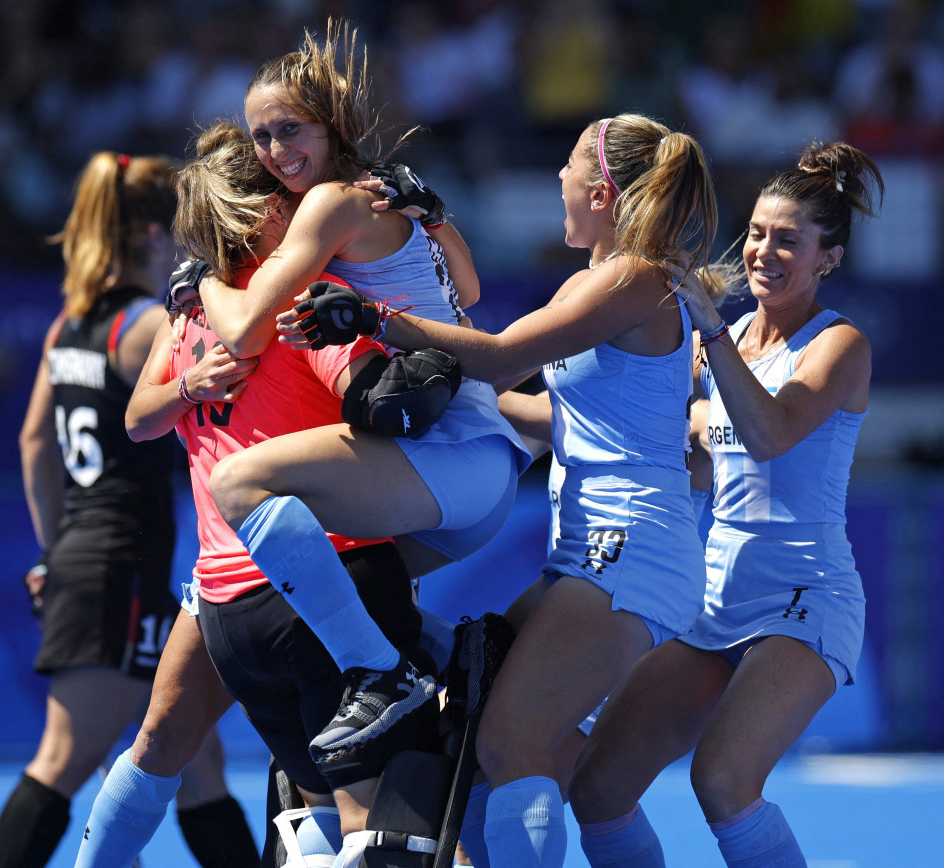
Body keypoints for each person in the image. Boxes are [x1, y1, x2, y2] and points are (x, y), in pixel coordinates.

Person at [284, 112, 723, 867]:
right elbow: (536, 405)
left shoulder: (630, 278)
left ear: (602, 191)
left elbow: (491, 359)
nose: (557, 177)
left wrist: (376, 318)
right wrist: (435, 232)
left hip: (629, 550)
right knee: (494, 737)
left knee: (510, 737)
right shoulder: (603, 283)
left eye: (568, 165)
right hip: (605, 547)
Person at [75, 122, 458, 868]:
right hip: (318, 579)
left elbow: (139, 417)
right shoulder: (308, 300)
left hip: (219, 598)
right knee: (373, 811)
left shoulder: (188, 311)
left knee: (210, 764)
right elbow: (381, 401)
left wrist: (190, 385)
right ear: (266, 213)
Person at [184, 18, 530, 771]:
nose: (275, 152)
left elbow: (244, 330)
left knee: (240, 482)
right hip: (473, 471)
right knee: (327, 582)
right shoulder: (387, 196)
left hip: (453, 457)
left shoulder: (331, 203)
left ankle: (384, 674)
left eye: (290, 129)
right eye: (260, 137)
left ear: (334, 124)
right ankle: (449, 652)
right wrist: (436, 215)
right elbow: (467, 288)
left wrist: (203, 276)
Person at [562, 140, 882, 867]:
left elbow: (769, 435)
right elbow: (699, 464)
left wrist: (709, 330)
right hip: (713, 588)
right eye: (759, 233)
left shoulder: (839, 346)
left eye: (789, 241)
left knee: (722, 778)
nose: (764, 251)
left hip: (806, 591)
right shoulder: (728, 340)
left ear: (829, 259)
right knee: (598, 787)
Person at [0, 150, 256, 868]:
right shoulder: (144, 325)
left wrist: (53, 550)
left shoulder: (70, 326)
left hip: (95, 558)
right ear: (148, 235)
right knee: (63, 760)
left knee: (196, 764)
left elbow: (31, 442)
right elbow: (237, 350)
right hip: (119, 572)